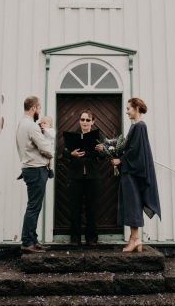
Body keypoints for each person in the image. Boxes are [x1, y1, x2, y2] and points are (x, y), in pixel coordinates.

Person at [111, 97, 161, 253]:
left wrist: (121, 160)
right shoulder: (136, 126)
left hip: (132, 173)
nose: (126, 112)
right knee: (132, 204)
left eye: (128, 109)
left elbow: (136, 151)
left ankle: (135, 239)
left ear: (137, 108)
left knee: (133, 204)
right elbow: (131, 148)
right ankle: (135, 239)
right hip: (131, 171)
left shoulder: (139, 127)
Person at [16, 96, 53, 253]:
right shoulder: (31, 126)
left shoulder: (21, 125)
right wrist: (51, 150)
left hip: (29, 168)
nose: (39, 111)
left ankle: (33, 239)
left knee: (34, 206)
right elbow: (45, 148)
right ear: (33, 108)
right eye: (38, 108)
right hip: (36, 169)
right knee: (33, 206)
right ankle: (27, 243)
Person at [63, 109, 103, 246]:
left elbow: (103, 157)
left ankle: (91, 238)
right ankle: (75, 238)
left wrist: (102, 150)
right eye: (82, 119)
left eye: (87, 120)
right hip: (75, 177)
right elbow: (64, 155)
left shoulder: (98, 137)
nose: (84, 122)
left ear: (92, 122)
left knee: (92, 209)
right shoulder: (73, 137)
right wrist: (71, 154)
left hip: (92, 177)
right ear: (79, 121)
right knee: (75, 208)